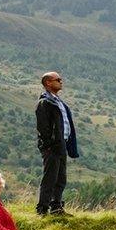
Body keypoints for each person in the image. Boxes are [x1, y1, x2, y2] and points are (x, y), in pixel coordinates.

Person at [36, 71, 79, 216]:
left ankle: (56, 207)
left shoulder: (59, 102)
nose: (61, 82)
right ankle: (42, 209)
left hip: (62, 145)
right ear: (48, 82)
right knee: (50, 178)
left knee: (61, 178)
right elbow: (43, 127)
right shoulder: (45, 103)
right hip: (52, 147)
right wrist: (50, 144)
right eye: (58, 79)